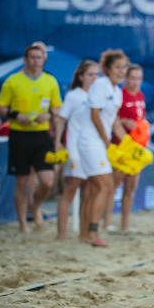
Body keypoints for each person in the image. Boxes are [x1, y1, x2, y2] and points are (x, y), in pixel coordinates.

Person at [0, 42, 62, 233]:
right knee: (22, 181)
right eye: (32, 57)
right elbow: (0, 107)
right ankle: (23, 223)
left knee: (48, 180)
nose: (35, 61)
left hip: (41, 134)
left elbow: (57, 107)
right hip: (19, 134)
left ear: (44, 59)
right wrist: (16, 115)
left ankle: (36, 206)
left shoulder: (50, 81)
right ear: (25, 60)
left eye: (39, 57)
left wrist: (49, 115)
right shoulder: (13, 81)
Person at [78, 49, 128, 247]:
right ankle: (92, 233)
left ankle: (84, 234)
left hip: (98, 142)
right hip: (91, 142)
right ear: (107, 68)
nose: (121, 71)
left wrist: (127, 144)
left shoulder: (117, 92)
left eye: (124, 67)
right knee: (105, 186)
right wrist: (107, 142)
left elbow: (114, 122)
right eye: (117, 67)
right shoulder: (101, 85)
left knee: (92, 189)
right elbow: (95, 115)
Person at [53, 59, 99, 240]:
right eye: (90, 74)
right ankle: (61, 234)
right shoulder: (74, 96)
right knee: (70, 191)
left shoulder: (98, 96)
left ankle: (84, 233)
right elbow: (61, 119)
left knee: (88, 192)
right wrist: (57, 142)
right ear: (81, 77)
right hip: (75, 149)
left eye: (96, 74)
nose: (94, 78)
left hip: (92, 149)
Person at [104, 63, 147, 232]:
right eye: (132, 78)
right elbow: (110, 118)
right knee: (113, 186)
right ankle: (106, 222)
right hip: (120, 146)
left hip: (136, 148)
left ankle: (125, 224)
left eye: (139, 78)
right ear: (126, 78)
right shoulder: (119, 95)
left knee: (130, 188)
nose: (135, 82)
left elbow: (140, 121)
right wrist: (123, 122)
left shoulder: (140, 97)